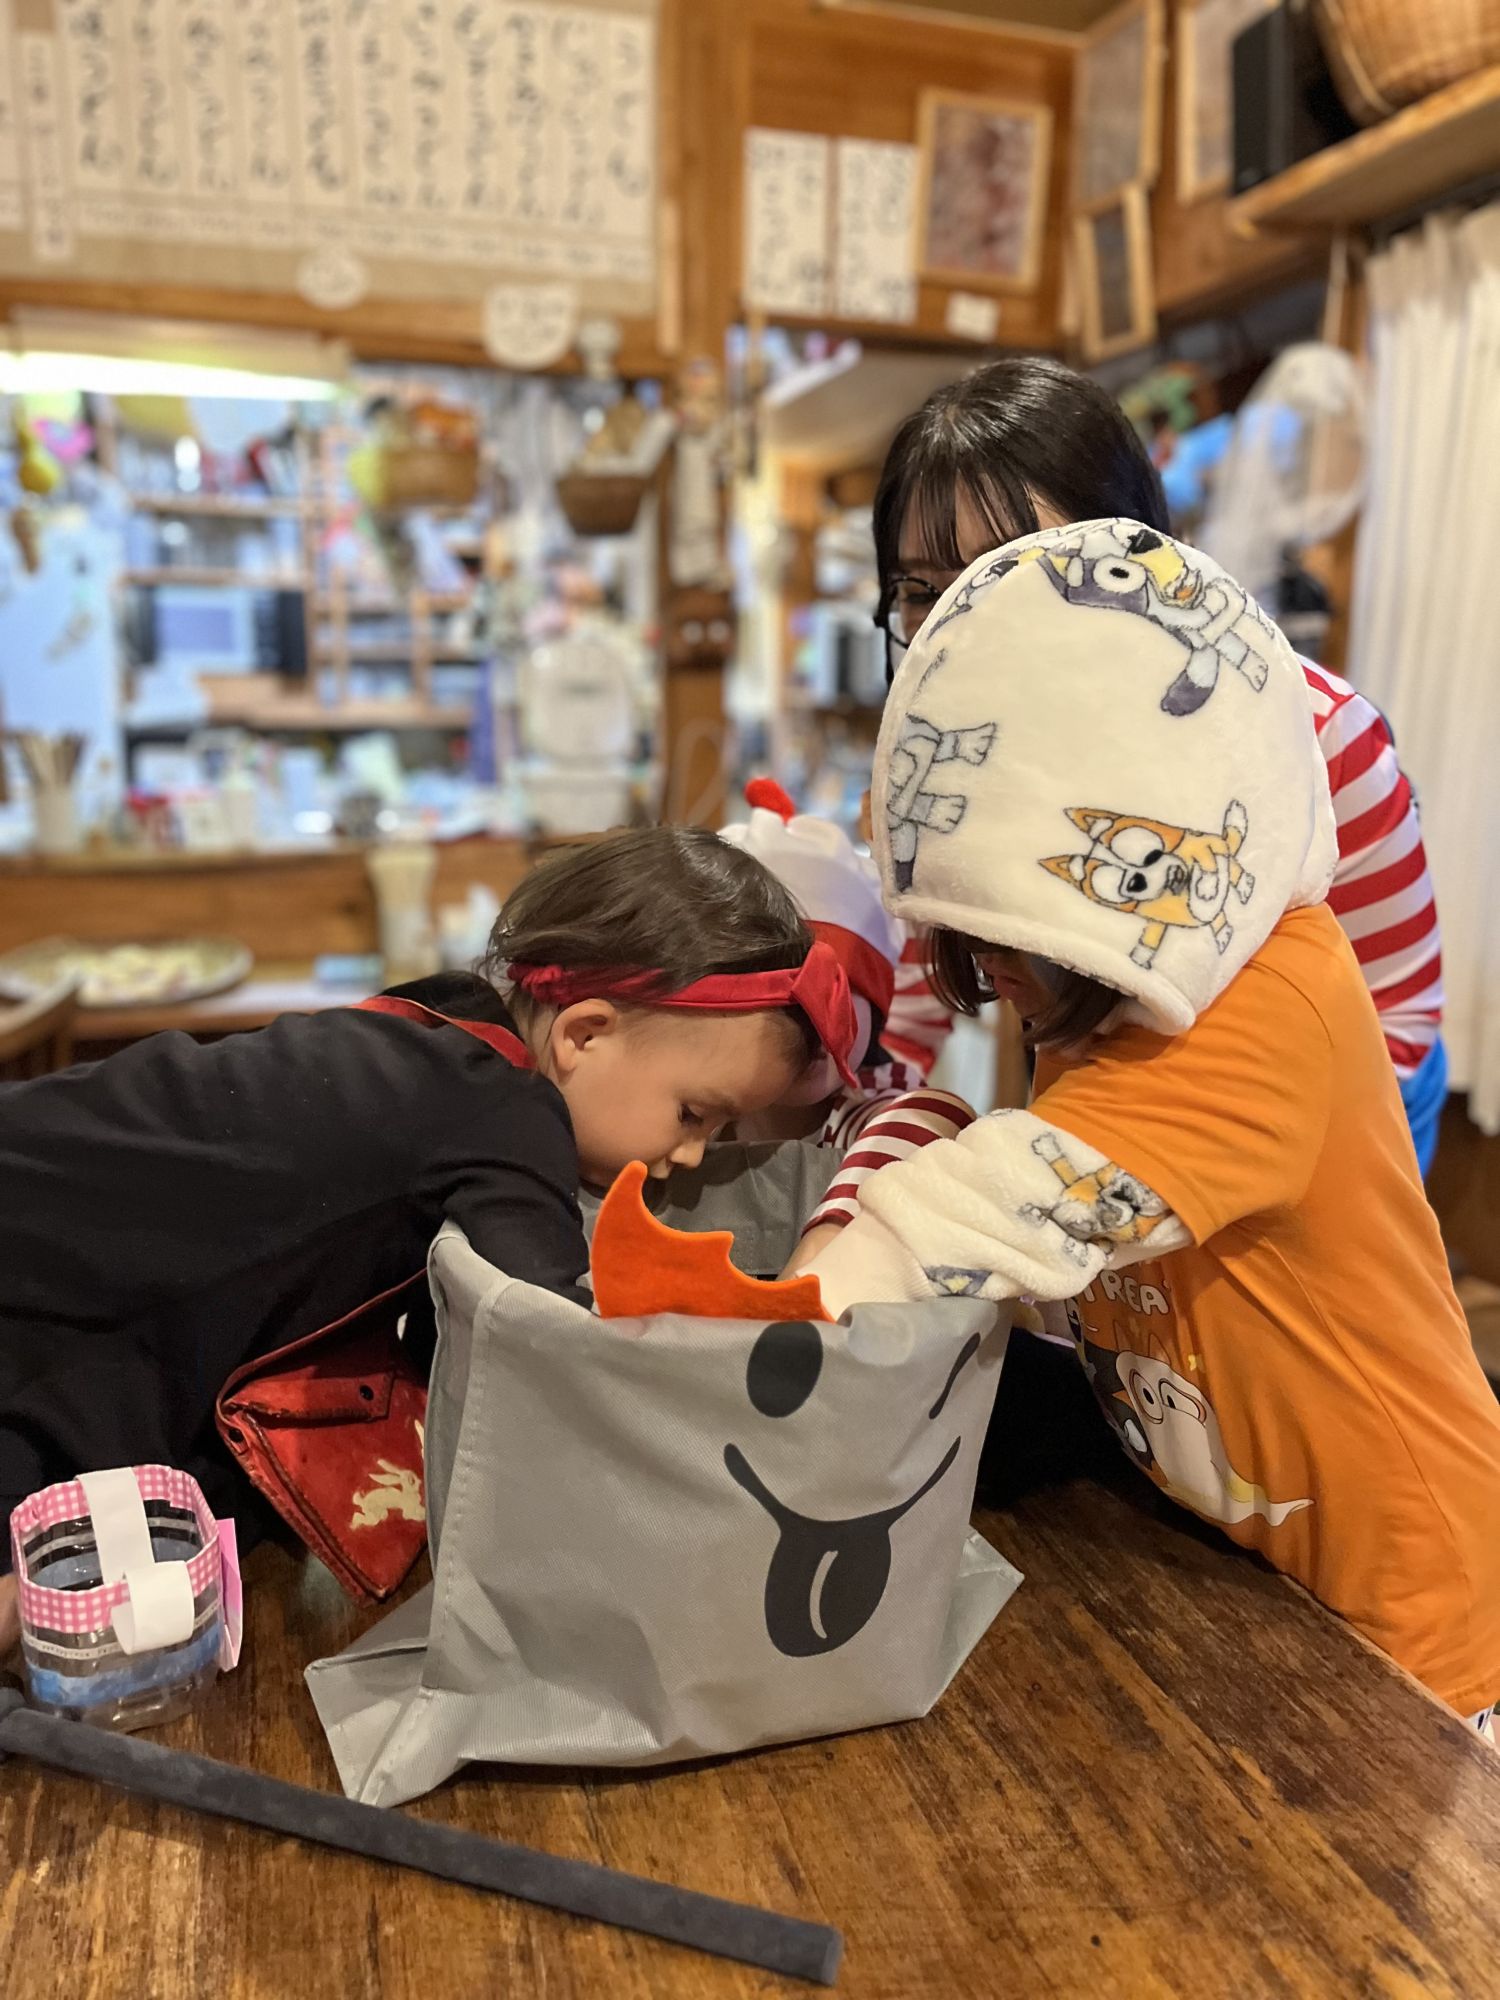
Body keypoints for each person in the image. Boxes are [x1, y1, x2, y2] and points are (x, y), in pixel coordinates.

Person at [807, 521, 1500, 1731]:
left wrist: (785, 1304)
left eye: (1005, 931)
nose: (989, 971)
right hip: (1271, 1583)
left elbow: (1006, 1203)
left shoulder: (1276, 991)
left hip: (1433, 1624)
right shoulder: (1102, 1004)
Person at [0, 825, 855, 1647]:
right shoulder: (508, 1116)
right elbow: (558, 1348)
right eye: (694, 1114)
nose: (692, 1155)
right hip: (53, 1282)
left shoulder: (448, 1022)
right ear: (584, 1034)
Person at [870, 355, 1446, 1174]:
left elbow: (1399, 1020)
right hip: (1101, 1109)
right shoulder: (950, 746)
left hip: (1321, 1133)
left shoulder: (1320, 737)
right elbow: (907, 1015)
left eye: (1018, 573)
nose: (964, 624)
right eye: (924, 591)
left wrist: (1190, 1170)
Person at [719, 777, 975, 1227]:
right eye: (783, 991)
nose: (815, 1015)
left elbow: (919, 1122)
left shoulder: (871, 1109)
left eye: (841, 986)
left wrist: (830, 1233)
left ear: (876, 1010)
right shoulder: (699, 1116)